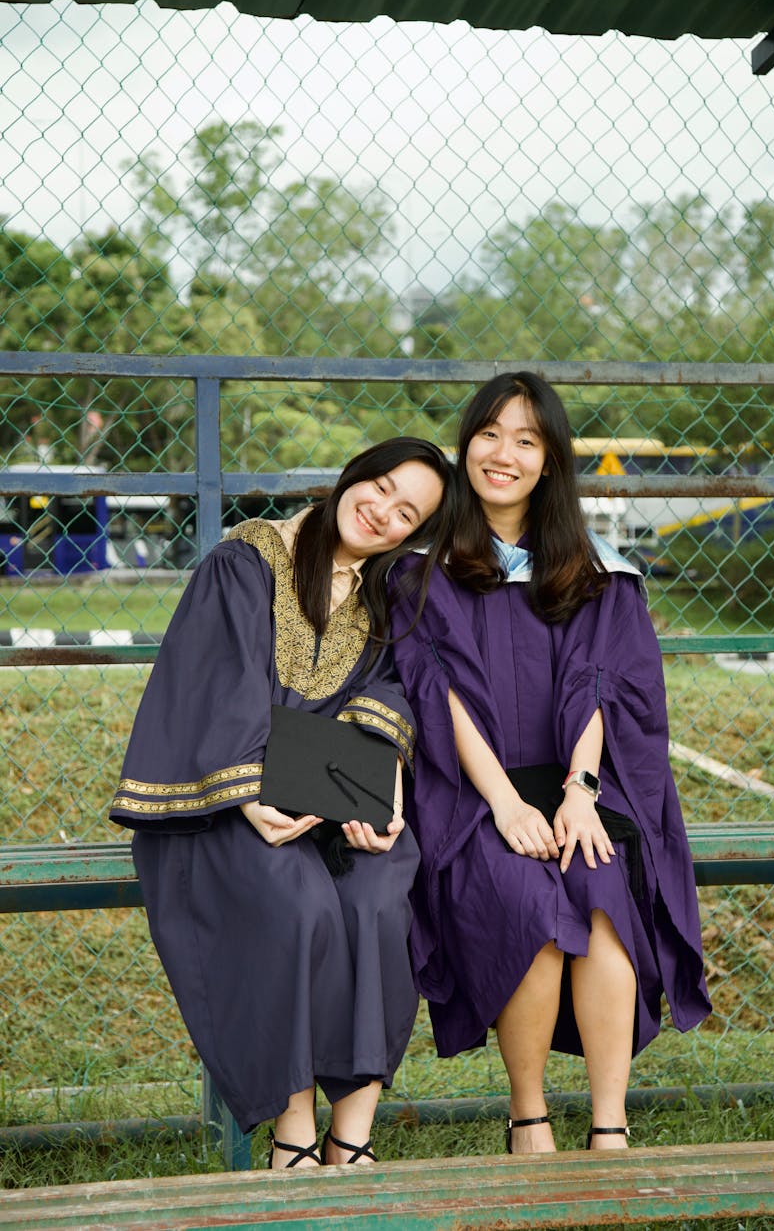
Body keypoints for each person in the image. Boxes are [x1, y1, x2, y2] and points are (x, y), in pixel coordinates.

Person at [389, 373, 711, 1154]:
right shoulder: (419, 570)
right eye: (490, 434)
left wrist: (580, 793)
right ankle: (528, 1118)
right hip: (474, 792)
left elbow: (602, 687)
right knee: (526, 905)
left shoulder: (598, 573)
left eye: (526, 440)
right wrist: (501, 803)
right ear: (466, 443)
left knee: (601, 896)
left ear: (550, 460)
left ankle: (609, 1125)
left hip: (579, 780)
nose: (503, 454)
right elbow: (442, 698)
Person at [110, 437, 452, 1170]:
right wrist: (246, 799)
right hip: (220, 800)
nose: (381, 511)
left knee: (378, 900)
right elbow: (216, 686)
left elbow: (391, 689)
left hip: (329, 794)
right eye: (380, 485)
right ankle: (292, 1135)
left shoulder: (385, 594)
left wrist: (380, 773)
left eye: (406, 512)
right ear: (351, 473)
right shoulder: (248, 562)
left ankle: (350, 1139)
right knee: (298, 905)